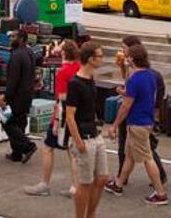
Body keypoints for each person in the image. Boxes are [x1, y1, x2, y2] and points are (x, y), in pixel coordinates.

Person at [104, 43, 168, 205]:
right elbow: (140, 93)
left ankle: (160, 193)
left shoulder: (134, 79)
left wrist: (114, 125)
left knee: (147, 158)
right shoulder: (150, 76)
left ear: (132, 59)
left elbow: (126, 105)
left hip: (137, 122)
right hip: (147, 120)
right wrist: (126, 91)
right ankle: (118, 184)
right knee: (130, 156)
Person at [24, 39, 80, 198]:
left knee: (48, 147)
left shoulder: (63, 72)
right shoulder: (78, 67)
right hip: (77, 114)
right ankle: (75, 187)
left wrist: (56, 121)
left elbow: (61, 99)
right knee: (72, 152)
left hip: (63, 115)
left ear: (64, 53)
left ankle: (44, 184)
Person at [66, 42, 107, 218]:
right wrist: (78, 142)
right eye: (100, 56)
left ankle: (90, 214)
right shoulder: (75, 84)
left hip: (95, 134)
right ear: (90, 59)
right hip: (84, 137)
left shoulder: (90, 80)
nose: (102, 59)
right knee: (85, 182)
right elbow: (70, 116)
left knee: (102, 178)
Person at [1, 30, 36, 164]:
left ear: (21, 39)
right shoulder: (29, 52)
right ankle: (16, 153)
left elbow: (13, 80)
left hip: (17, 96)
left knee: (8, 122)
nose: (10, 38)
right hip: (28, 94)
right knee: (20, 122)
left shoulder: (16, 55)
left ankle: (28, 146)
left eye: (13, 36)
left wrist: (6, 98)